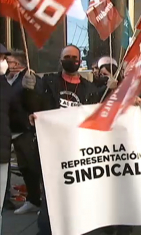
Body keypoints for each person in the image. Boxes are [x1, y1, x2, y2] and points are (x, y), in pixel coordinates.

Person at [21, 44, 102, 235]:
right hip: (52, 147)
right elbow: (34, 107)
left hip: (78, 147)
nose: (72, 60)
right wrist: (28, 91)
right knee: (51, 191)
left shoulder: (89, 88)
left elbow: (97, 112)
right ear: (61, 60)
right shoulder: (47, 82)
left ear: (80, 61)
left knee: (77, 190)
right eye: (67, 57)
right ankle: (48, 229)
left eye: (75, 57)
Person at [6, 51, 42, 214]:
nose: (7, 64)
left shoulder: (29, 79)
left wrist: (30, 91)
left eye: (11, 62)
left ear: (20, 64)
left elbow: (36, 103)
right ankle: (32, 199)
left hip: (26, 131)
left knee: (32, 167)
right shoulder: (7, 80)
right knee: (23, 167)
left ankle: (38, 200)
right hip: (11, 130)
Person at [0, 43, 13, 235]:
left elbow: (15, 111)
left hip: (1, 151)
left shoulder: (3, 83)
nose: (3, 62)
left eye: (3, 59)